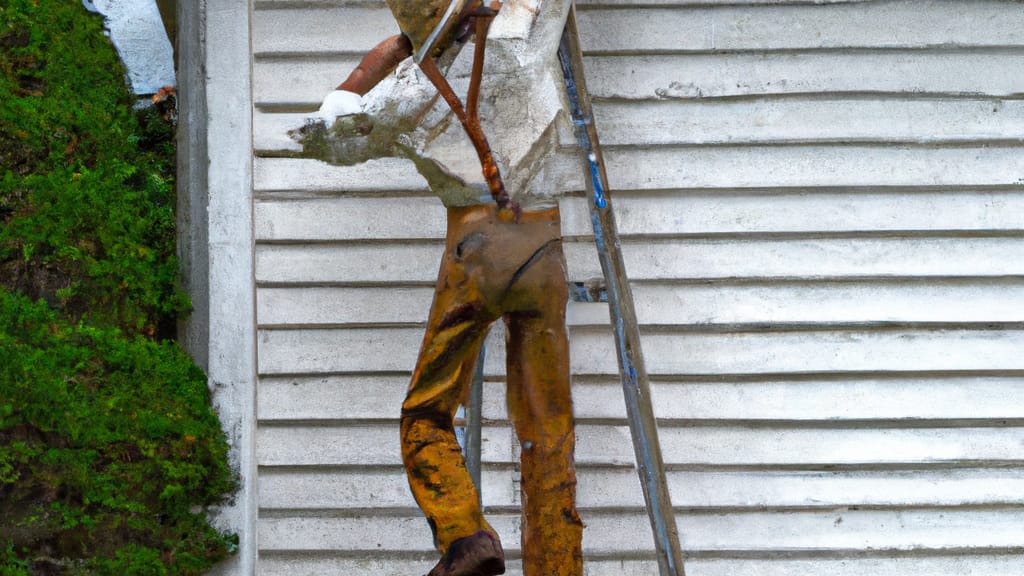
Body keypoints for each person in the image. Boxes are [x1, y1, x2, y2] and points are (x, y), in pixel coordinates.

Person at [292, 0, 583, 573]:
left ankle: (465, 534)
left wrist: (367, 73)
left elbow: (326, 139)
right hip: (543, 242)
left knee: (426, 412)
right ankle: (559, 567)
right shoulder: (521, 39)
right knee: (548, 426)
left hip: (474, 248)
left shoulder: (408, 88)